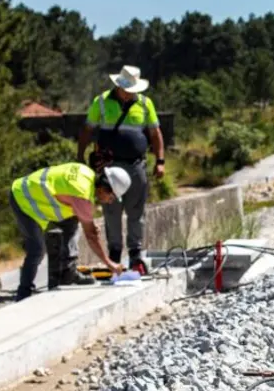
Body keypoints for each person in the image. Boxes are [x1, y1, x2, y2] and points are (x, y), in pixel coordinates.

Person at [78, 65, 165, 274]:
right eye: (127, 89)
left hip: (136, 166)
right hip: (109, 167)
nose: (130, 93)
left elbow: (155, 134)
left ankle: (135, 255)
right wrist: (80, 155)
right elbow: (87, 130)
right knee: (111, 211)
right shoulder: (101, 102)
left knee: (137, 211)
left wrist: (160, 160)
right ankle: (115, 254)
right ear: (118, 86)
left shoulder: (145, 104)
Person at [9, 163, 130, 301]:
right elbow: (91, 236)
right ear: (104, 189)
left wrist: (88, 221)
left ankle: (68, 273)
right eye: (112, 197)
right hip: (23, 199)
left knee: (72, 221)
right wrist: (109, 264)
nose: (110, 202)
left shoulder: (85, 172)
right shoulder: (82, 196)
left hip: (31, 190)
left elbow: (75, 204)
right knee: (37, 250)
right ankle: (23, 293)